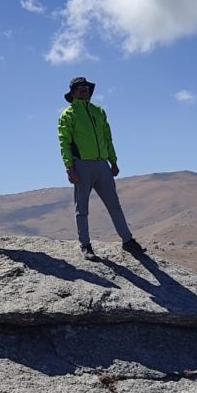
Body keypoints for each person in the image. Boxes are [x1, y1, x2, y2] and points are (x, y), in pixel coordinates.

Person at [57, 76, 144, 261]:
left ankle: (127, 240)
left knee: (114, 204)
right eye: (80, 88)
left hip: (102, 164)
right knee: (82, 208)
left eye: (86, 87)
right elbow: (64, 141)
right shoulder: (68, 114)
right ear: (72, 93)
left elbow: (107, 138)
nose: (84, 90)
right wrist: (69, 167)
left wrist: (113, 161)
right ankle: (85, 245)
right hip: (81, 165)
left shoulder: (99, 112)